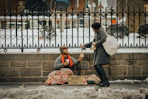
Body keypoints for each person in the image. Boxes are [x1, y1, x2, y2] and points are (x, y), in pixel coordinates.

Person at [80, 22, 110, 87]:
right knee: (96, 65)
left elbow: (103, 39)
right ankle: (102, 80)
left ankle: (105, 81)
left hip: (102, 52)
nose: (94, 30)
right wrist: (85, 45)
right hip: (98, 52)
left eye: (94, 29)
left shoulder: (101, 31)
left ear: (97, 28)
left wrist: (96, 44)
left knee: (98, 65)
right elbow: (92, 42)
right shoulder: (97, 33)